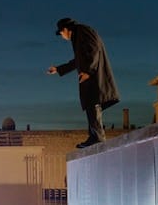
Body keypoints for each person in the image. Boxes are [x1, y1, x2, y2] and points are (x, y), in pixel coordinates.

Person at [47, 17, 119, 148]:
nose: (62, 37)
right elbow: (77, 61)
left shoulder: (82, 31)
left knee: (93, 103)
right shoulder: (78, 36)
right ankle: (94, 136)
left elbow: (94, 48)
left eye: (61, 34)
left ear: (65, 30)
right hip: (90, 76)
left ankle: (97, 137)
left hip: (94, 76)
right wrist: (58, 69)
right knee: (90, 104)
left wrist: (88, 71)